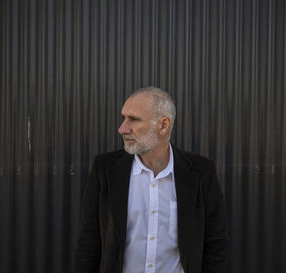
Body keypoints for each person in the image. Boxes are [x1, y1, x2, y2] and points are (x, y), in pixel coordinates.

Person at [74, 87, 229, 273]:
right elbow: (89, 242)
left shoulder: (201, 172)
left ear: (163, 125)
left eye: (133, 119)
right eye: (124, 118)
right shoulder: (105, 169)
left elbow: (216, 244)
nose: (122, 128)